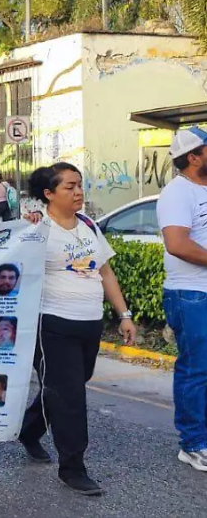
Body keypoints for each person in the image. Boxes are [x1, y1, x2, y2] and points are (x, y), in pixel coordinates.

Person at [17, 161, 136, 495]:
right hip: (52, 324)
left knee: (65, 385)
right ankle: (73, 468)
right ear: (48, 194)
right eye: (69, 187)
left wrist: (123, 315)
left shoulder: (88, 225)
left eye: (79, 185)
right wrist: (26, 231)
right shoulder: (37, 230)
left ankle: (29, 429)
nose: (78, 192)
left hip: (89, 324)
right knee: (70, 396)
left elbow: (106, 273)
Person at [158, 128, 207, 472]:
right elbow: (176, 243)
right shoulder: (177, 193)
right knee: (195, 370)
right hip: (190, 293)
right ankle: (193, 445)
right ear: (194, 157)